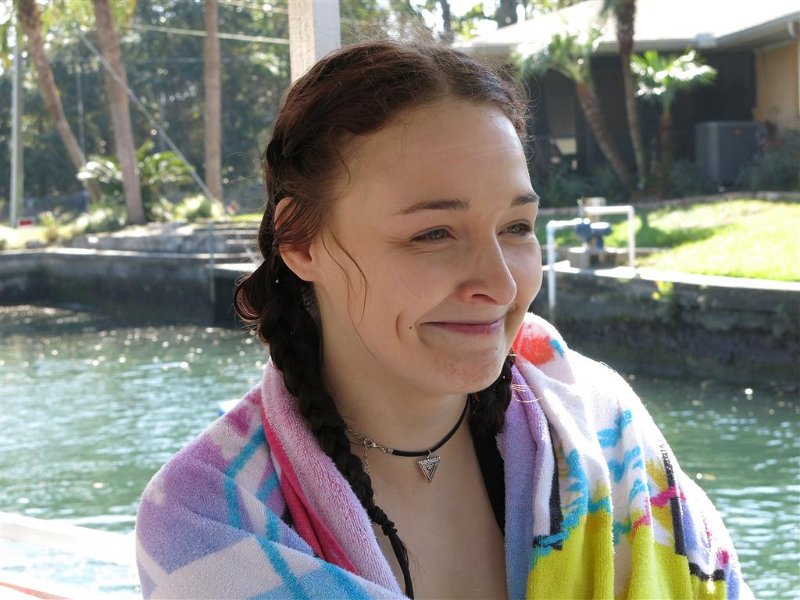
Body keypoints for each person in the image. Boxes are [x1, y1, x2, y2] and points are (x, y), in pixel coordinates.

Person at [135, 40, 750, 599]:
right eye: (433, 233)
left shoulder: (603, 431)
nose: (500, 285)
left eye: (516, 227)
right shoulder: (204, 521)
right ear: (300, 241)